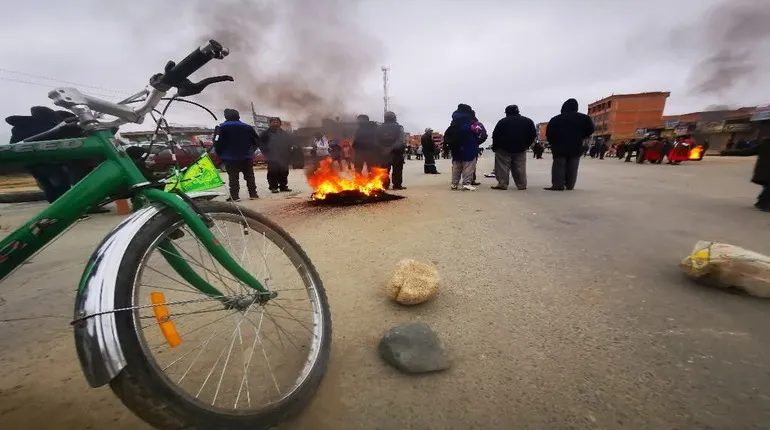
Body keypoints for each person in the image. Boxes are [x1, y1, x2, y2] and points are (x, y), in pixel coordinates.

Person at [6, 106, 72, 203]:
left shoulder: (19, 128)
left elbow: (13, 145)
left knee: (48, 186)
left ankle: (55, 210)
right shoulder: (49, 126)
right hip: (52, 161)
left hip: (31, 163)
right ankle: (70, 207)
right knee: (62, 185)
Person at [544, 98, 595, 191]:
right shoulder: (584, 118)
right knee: (573, 166)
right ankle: (570, 185)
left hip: (559, 146)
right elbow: (590, 130)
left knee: (559, 165)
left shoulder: (556, 119)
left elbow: (549, 133)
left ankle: (558, 185)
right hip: (576, 146)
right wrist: (581, 136)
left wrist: (552, 143)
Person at [213, 108, 260, 201]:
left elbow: (216, 143)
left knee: (233, 177)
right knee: (249, 176)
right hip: (246, 156)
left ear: (226, 116)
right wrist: (251, 151)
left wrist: (221, 154)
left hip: (229, 157)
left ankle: (235, 196)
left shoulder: (221, 127)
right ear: (238, 116)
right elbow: (257, 141)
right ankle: (253, 194)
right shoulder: (248, 127)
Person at [490, 105, 536, 191]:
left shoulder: (502, 122)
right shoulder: (528, 121)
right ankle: (521, 185)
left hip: (503, 149)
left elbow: (495, 135)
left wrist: (495, 147)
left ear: (507, 112)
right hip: (520, 148)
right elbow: (533, 135)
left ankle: (503, 184)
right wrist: (527, 145)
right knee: (520, 167)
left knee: (502, 167)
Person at [721, 137, 769, 212]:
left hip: (764, 172)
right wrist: (726, 152)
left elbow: (746, 151)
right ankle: (763, 204)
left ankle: (761, 202)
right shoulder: (766, 144)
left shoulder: (765, 144)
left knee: (768, 188)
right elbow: (746, 152)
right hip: (765, 172)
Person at [445, 103, 483, 191]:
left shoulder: (453, 123)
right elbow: (481, 134)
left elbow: (447, 136)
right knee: (468, 166)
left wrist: (451, 144)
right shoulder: (472, 123)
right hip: (469, 146)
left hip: (456, 147)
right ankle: (466, 183)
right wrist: (477, 142)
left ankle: (454, 184)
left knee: (456, 166)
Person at [259, 117, 294, 193]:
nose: (275, 123)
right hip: (272, 157)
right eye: (273, 122)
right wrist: (266, 152)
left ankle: (283, 186)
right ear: (270, 123)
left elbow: (289, 143)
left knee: (284, 172)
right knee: (273, 172)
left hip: (283, 157)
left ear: (280, 123)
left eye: (277, 122)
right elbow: (260, 144)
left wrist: (289, 151)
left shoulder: (284, 133)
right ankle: (273, 187)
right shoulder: (265, 133)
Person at [377, 111, 406, 190]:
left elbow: (376, 140)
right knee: (397, 169)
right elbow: (401, 141)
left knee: (384, 170)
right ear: (394, 118)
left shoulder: (379, 127)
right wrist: (391, 148)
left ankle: (384, 185)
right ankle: (397, 185)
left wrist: (383, 148)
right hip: (397, 152)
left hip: (383, 153)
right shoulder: (399, 127)